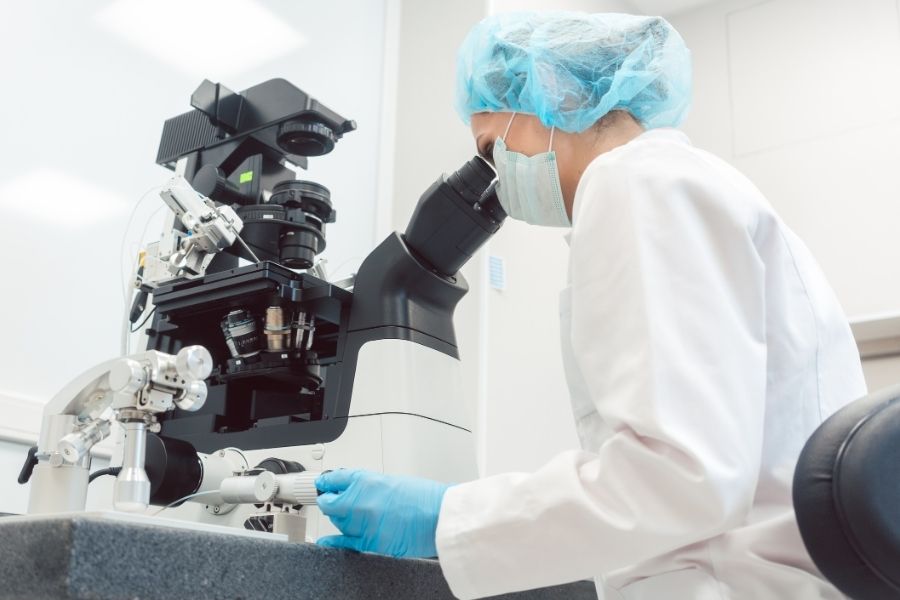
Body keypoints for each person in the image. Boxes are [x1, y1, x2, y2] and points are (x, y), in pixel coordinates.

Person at [314, 11, 866, 600]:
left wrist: (448, 516)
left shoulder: (632, 181)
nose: (496, 177)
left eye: (490, 148)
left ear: (551, 94)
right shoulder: (687, 181)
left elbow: (681, 476)